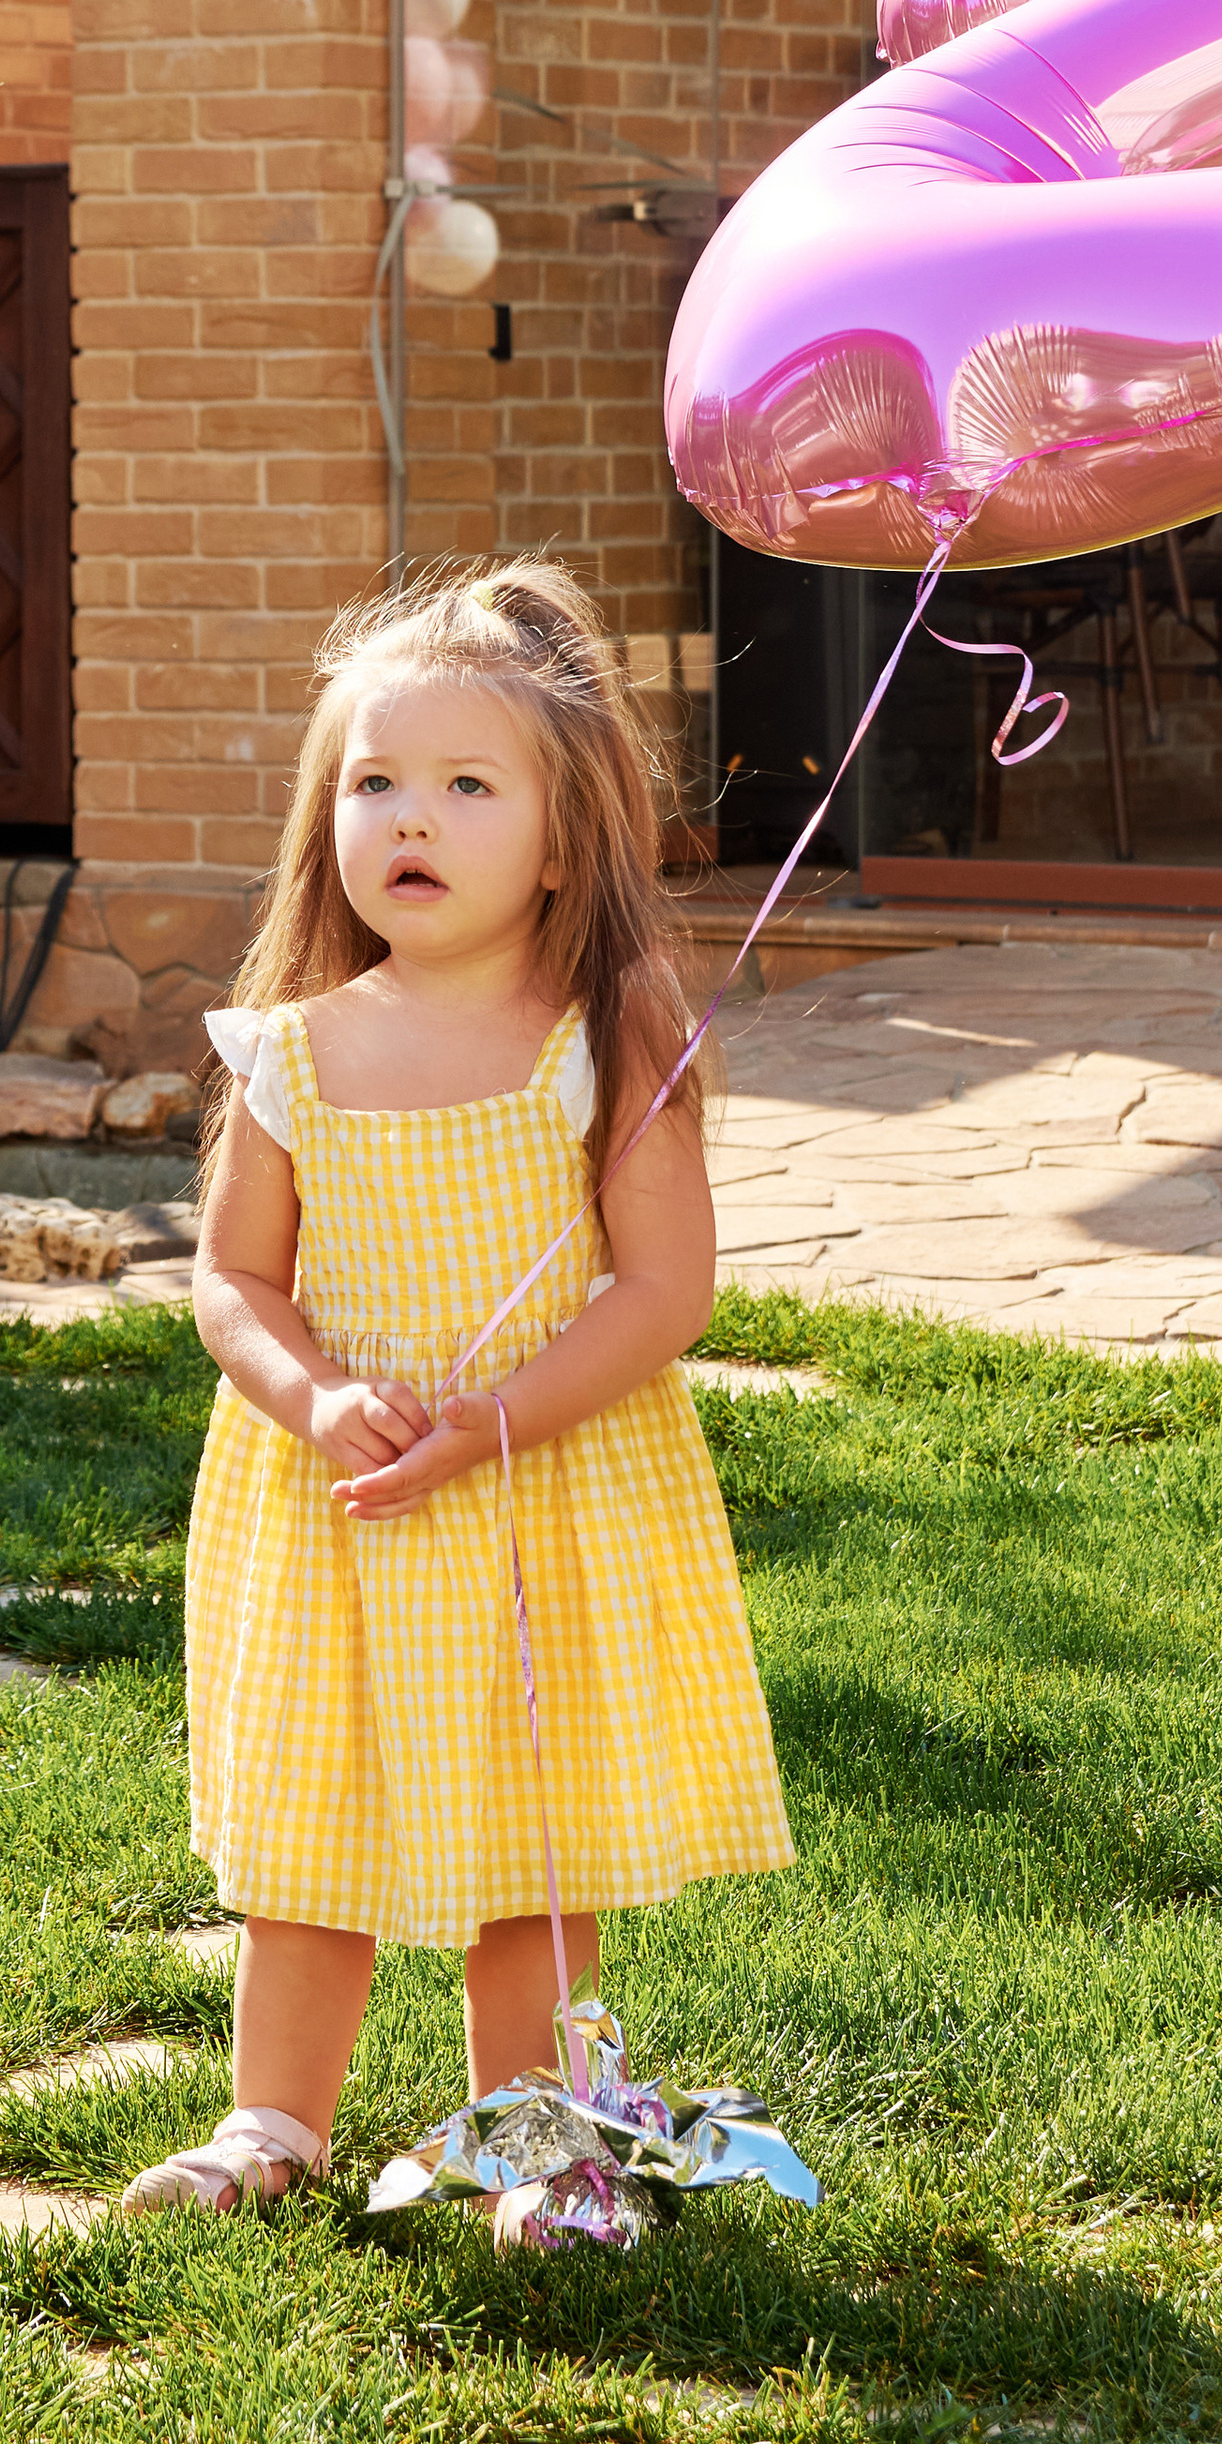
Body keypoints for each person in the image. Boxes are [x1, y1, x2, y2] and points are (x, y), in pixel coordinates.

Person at [122, 558, 791, 2227]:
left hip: (538, 1491)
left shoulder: (607, 1028)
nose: (408, 817)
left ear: (564, 837)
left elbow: (664, 1289)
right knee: (310, 1835)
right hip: (339, 1504)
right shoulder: (293, 1047)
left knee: (533, 1846)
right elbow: (234, 1283)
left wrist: (489, 1422)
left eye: (465, 786)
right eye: (374, 785)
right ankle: (272, 2132)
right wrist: (315, 1395)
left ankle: (542, 2137)